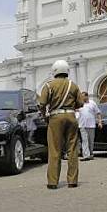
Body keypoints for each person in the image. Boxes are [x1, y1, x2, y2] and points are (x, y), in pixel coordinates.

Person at [38, 60, 83, 189]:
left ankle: (53, 182)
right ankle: (72, 181)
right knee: (72, 149)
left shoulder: (48, 86)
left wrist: (44, 115)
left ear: (54, 71)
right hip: (70, 116)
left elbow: (42, 104)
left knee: (55, 150)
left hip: (55, 117)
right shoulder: (73, 85)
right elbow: (80, 103)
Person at [77, 92, 102, 161]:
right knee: (85, 141)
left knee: (91, 141)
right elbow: (76, 112)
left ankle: (91, 154)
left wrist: (100, 122)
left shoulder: (92, 103)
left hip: (91, 125)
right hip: (82, 125)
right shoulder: (80, 104)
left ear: (87, 96)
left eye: (83, 97)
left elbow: (98, 113)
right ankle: (86, 155)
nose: (81, 98)